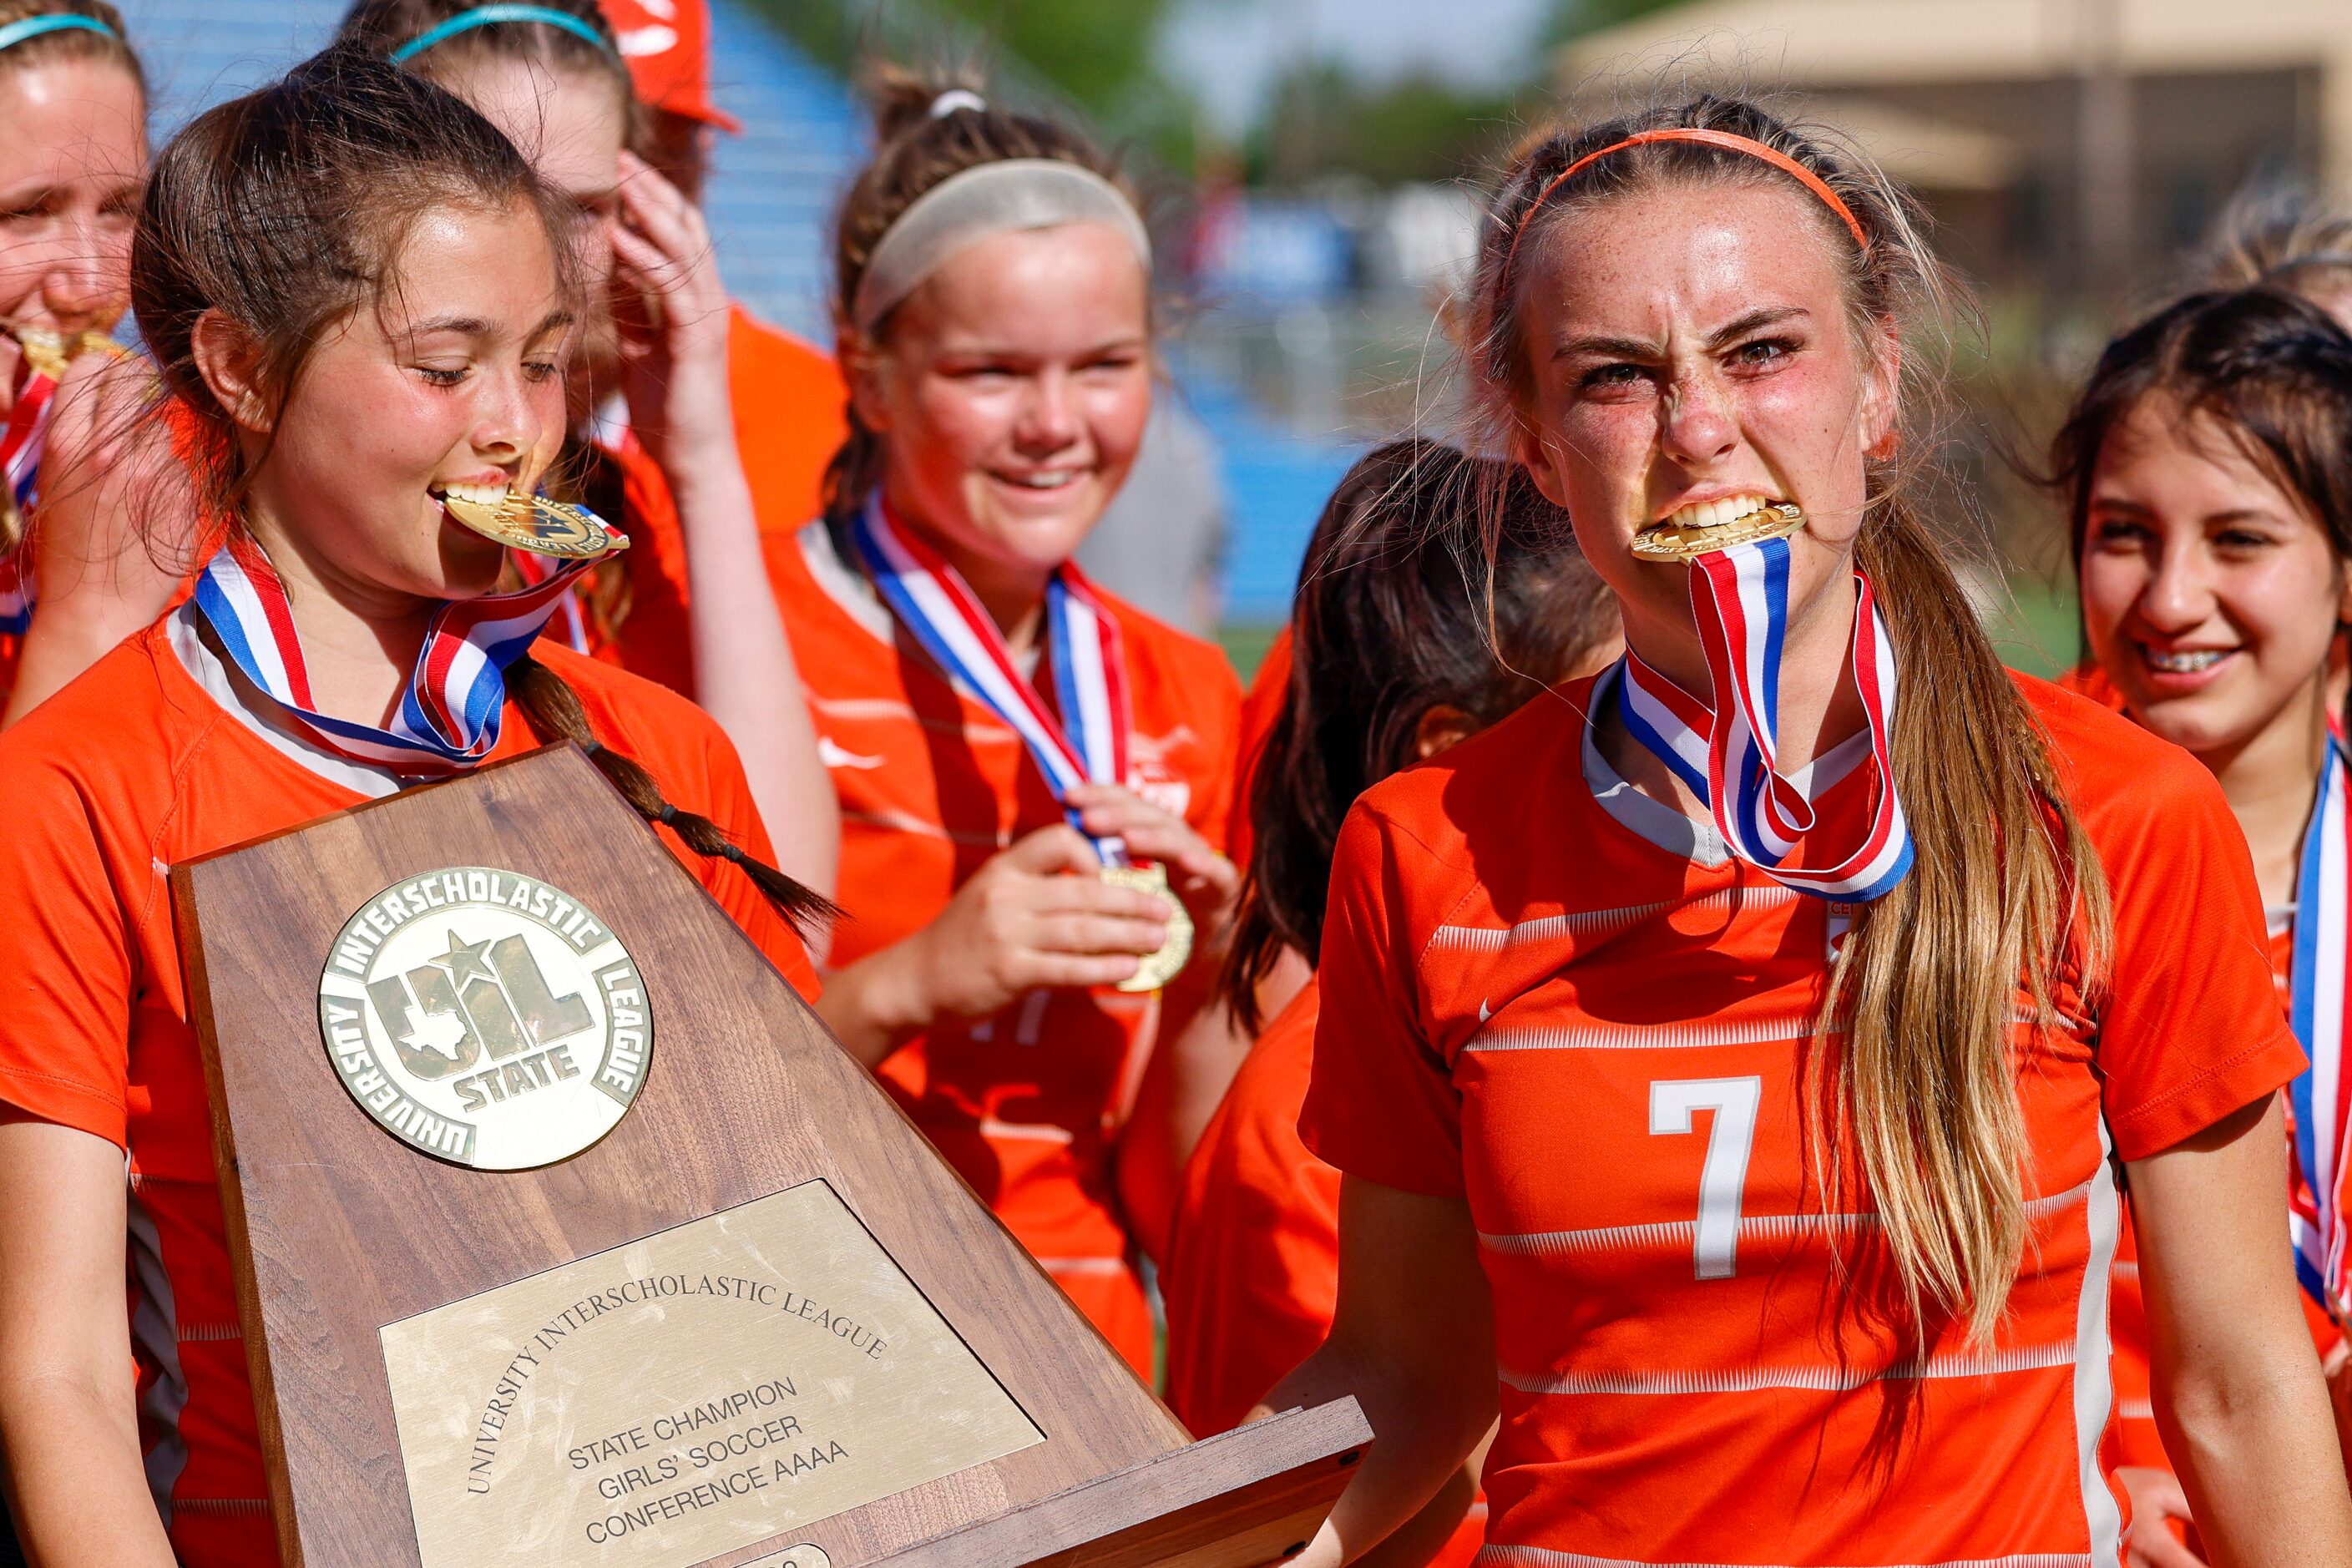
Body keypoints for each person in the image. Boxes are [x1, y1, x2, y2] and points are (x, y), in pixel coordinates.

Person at [1257, 98, 2352, 1568]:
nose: (1699, 428)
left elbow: (2233, 1382)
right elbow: (1405, 1376)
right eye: (1614, 378)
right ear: (1526, 432)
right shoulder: (1423, 847)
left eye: (1762, 350)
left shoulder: (2116, 818)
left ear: (1878, 380)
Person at [0, 50, 826, 1565]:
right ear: (241, 370)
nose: (512, 426)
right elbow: (55, 1374)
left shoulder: (658, 755)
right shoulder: (73, 782)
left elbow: (790, 1233)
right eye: (444, 367)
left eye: (545, 357)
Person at [772, 69, 1241, 1377]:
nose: (1054, 424)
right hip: (798, 1357)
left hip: (1078, 1375)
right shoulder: (729, 633)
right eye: (990, 371)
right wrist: (913, 980)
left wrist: (1214, 980)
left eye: (1105, 365)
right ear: (867, 375)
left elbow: (1169, 1195)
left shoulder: (1185, 693)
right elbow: (647, 1118)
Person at [1161, 438, 1619, 1566]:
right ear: (1456, 763)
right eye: (1615, 714)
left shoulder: (1561, 1021)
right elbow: (1357, 1486)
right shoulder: (1318, 1120)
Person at [340, 0, 837, 897]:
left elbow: (785, 894)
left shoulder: (625, 514)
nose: (548, 256)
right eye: (495, 190)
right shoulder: (239, 484)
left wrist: (702, 463)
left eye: (586, 208)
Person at [2056, 286, 2352, 1565]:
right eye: (2124, 533)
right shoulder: (1981, 886)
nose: (2172, 598)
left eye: (2239, 538)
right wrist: (2109, 1485)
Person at [600, 0, 852, 548]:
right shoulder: (408, 405)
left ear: (704, 157)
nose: (618, 207)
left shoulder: (826, 423)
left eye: (656, 158)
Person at [0, 1, 187, 723]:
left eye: (121, 208)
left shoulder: (167, 467)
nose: (91, 286)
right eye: (23, 212)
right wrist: (88, 619)